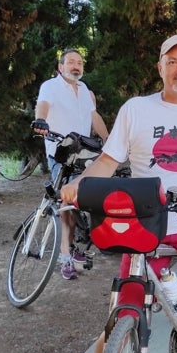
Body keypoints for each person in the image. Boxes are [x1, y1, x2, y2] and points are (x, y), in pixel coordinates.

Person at [60, 35, 177, 353]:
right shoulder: (137, 108)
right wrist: (78, 182)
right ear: (160, 67)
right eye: (172, 62)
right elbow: (108, 160)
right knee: (121, 313)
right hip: (146, 226)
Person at [31, 49, 109, 280]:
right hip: (60, 154)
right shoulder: (50, 86)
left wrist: (109, 141)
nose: (76, 66)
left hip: (85, 156)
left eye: (80, 62)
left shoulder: (85, 90)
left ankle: (83, 243)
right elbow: (42, 105)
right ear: (60, 66)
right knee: (67, 201)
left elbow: (94, 117)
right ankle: (66, 256)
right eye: (71, 62)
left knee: (89, 199)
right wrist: (41, 120)